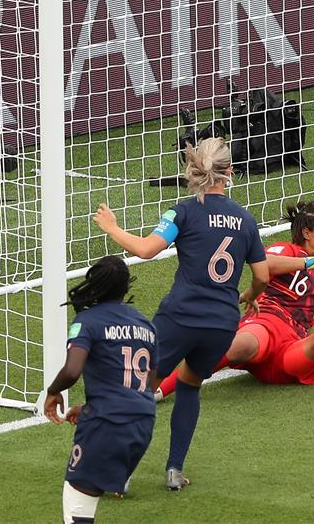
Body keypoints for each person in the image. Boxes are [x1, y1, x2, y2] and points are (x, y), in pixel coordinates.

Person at [92, 137, 269, 490]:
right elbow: (262, 276)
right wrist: (250, 295)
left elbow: (146, 250)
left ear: (193, 169)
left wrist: (112, 227)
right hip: (222, 325)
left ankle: (120, 472)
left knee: (140, 389)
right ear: (230, 172)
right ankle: (174, 470)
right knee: (190, 385)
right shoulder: (246, 220)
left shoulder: (182, 212)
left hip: (180, 317)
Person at [154, 200, 314, 397]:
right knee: (241, 346)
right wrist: (312, 262)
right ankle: (160, 390)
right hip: (265, 324)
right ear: (306, 233)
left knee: (312, 347)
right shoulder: (287, 250)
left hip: (288, 348)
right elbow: (264, 264)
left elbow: (304, 327)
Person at [43, 256, 157, 524]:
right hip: (142, 425)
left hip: (106, 424)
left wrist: (52, 391)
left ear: (94, 284)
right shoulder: (147, 326)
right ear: (125, 287)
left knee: (77, 508)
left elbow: (72, 370)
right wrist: (88, 408)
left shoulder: (87, 321)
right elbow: (148, 384)